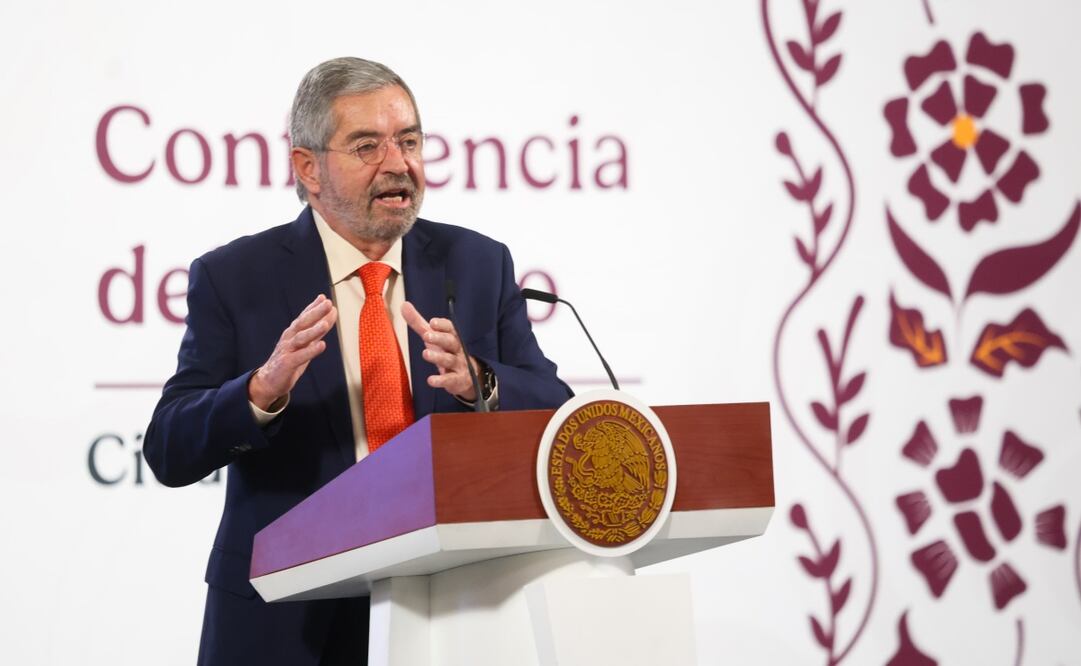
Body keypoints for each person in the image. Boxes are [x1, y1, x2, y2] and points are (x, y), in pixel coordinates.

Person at [143, 57, 572, 666]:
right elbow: (168, 447)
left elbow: (558, 411)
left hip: (448, 610)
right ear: (307, 168)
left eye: (410, 141)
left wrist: (483, 383)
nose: (398, 164)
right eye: (367, 146)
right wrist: (260, 392)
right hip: (283, 621)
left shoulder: (477, 263)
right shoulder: (235, 277)